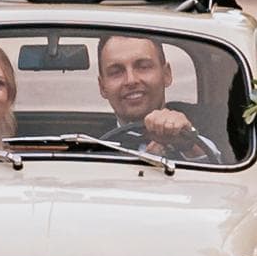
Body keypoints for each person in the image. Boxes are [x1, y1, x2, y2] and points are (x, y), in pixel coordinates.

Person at [93, 31, 222, 162]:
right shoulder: (90, 147)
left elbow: (223, 170)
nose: (131, 80)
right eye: (116, 72)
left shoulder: (218, 127)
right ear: (102, 87)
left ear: (166, 74)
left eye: (143, 67)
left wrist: (188, 144)